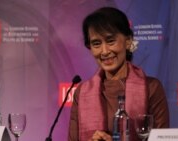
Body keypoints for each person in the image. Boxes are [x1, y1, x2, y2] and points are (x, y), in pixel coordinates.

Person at [68, 7, 169, 141]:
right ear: (90, 48)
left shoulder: (151, 88)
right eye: (96, 44)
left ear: (127, 41)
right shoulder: (81, 93)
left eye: (110, 41)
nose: (104, 51)